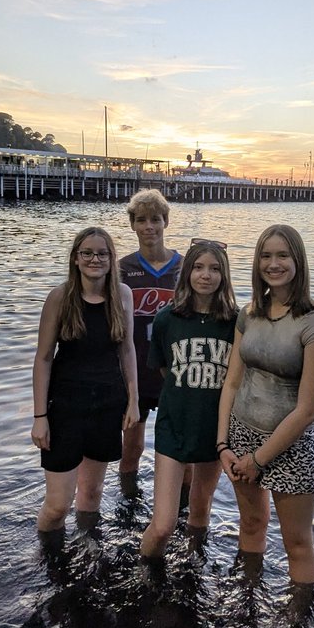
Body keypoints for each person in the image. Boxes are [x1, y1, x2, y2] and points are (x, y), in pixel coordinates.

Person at [217, 224, 314, 591]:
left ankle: (299, 618)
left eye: (283, 255)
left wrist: (259, 459)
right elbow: (232, 382)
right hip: (242, 436)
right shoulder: (249, 313)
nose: (273, 263)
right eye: (266, 256)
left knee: (297, 543)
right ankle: (248, 599)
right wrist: (223, 444)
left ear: (298, 260)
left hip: (290, 447)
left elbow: (307, 411)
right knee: (251, 525)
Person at [32, 227, 140, 539]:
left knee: (92, 494)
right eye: (88, 253)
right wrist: (40, 417)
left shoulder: (122, 295)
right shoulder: (60, 297)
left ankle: (89, 550)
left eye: (102, 253)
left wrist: (133, 400)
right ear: (76, 259)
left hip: (107, 404)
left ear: (112, 258)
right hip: (65, 408)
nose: (95, 259)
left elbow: (127, 350)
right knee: (57, 505)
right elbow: (43, 358)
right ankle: (49, 556)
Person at [140, 240, 237, 562]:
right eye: (198, 267)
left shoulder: (235, 322)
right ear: (187, 273)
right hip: (174, 427)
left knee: (200, 510)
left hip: (213, 430)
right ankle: (146, 573)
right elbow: (166, 369)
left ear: (224, 275)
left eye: (214, 269)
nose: (205, 275)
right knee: (163, 525)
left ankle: (192, 567)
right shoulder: (167, 319)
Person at [118, 190, 182, 499]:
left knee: (182, 449)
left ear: (165, 221)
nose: (149, 227)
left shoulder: (185, 267)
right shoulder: (122, 269)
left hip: (175, 374)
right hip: (137, 373)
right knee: (132, 447)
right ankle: (128, 504)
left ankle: (182, 509)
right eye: (141, 220)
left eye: (155, 219)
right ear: (132, 224)